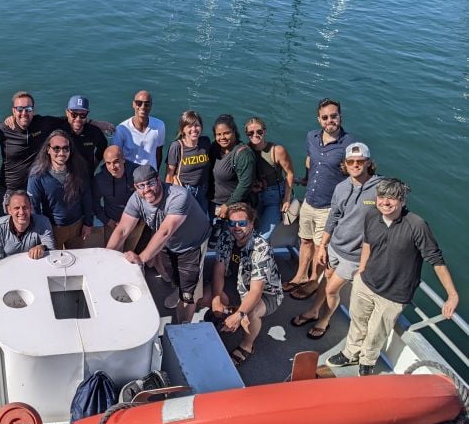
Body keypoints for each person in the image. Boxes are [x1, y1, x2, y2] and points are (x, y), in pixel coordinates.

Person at [326, 178, 459, 376]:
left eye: (392, 198)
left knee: (376, 332)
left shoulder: (417, 225)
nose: (385, 202)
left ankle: (367, 362)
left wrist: (452, 295)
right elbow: (367, 244)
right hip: (366, 283)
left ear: (402, 201)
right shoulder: (372, 215)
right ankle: (350, 353)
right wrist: (361, 271)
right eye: (381, 197)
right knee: (357, 321)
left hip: (394, 294)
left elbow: (436, 261)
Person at [291, 143, 381, 340]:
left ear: (368, 163)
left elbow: (393, 214)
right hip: (335, 247)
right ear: (345, 164)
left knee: (332, 289)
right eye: (351, 161)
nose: (355, 165)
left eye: (360, 161)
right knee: (326, 281)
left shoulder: (380, 189)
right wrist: (322, 246)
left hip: (356, 254)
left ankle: (324, 319)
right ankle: (314, 310)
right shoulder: (341, 187)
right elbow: (333, 217)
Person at [107, 165, 211, 324]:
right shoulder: (137, 198)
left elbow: (165, 231)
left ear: (159, 180)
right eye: (141, 186)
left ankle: (183, 326)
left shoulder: (179, 196)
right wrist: (106, 257)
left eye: (151, 183)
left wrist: (140, 259)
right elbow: (122, 229)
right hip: (168, 244)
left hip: (192, 245)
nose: (146, 189)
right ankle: (177, 286)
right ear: (136, 187)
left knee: (188, 292)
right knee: (171, 272)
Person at [286, 99, 356, 299]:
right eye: (325, 117)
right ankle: (299, 276)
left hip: (329, 207)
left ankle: (312, 281)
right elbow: (310, 160)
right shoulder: (312, 137)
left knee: (320, 247)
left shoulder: (349, 143)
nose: (329, 120)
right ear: (319, 119)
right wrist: (306, 179)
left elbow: (356, 173)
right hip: (309, 201)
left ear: (340, 116)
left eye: (333, 116)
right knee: (305, 240)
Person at [210, 203, 283, 366]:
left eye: (242, 223)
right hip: (238, 282)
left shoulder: (261, 248)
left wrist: (240, 314)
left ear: (251, 223)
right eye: (232, 223)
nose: (236, 227)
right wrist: (216, 298)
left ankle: (247, 346)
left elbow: (256, 291)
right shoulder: (225, 237)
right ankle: (227, 311)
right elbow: (219, 270)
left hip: (266, 293)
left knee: (251, 313)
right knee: (206, 297)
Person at [27, 130, 93, 249]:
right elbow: (34, 207)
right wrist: (40, 232)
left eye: (65, 148)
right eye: (56, 148)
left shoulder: (80, 168)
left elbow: (86, 197)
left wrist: (88, 223)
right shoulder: (37, 175)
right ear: (48, 149)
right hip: (52, 229)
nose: (61, 153)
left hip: (77, 226)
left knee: (76, 260)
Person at [244, 117, 295, 240]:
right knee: (250, 233)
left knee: (262, 238)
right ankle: (266, 258)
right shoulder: (244, 150)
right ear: (247, 134)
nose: (255, 135)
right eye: (251, 133)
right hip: (253, 198)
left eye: (259, 132)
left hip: (273, 198)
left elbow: (290, 173)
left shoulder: (277, 150)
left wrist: (286, 199)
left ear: (264, 131)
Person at [92, 145, 143, 250]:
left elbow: (148, 197)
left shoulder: (138, 173)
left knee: (130, 255)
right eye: (108, 163)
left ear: (123, 159)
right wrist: (107, 221)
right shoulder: (100, 179)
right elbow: (94, 202)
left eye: (116, 162)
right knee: (112, 256)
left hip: (135, 223)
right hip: (112, 224)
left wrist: (139, 219)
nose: (112, 167)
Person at [165, 110, 212, 215]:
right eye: (189, 126)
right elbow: (169, 175)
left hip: (203, 190)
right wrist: (168, 196)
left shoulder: (206, 142)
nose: (194, 129)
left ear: (201, 127)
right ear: (183, 130)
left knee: (201, 219)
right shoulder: (176, 146)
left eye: (197, 125)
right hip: (185, 189)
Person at [0, 190, 56, 265]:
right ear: (9, 210)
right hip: (9, 268)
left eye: (25, 207)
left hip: (35, 266)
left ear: (31, 208)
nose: (21, 212)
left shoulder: (43, 222)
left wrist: (42, 247)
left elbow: (51, 249)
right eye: (17, 208)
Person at [210, 114, 256, 220]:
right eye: (218, 134)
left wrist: (228, 205)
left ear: (234, 132)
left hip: (232, 208)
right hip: (213, 205)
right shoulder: (214, 147)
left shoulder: (243, 154)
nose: (222, 138)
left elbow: (245, 184)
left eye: (226, 133)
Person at [111, 90, 166, 168]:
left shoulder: (160, 126)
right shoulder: (121, 129)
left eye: (147, 104)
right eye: (139, 103)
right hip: (129, 175)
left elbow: (159, 152)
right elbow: (115, 156)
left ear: (151, 105)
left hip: (151, 175)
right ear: (133, 104)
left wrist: (156, 173)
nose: (143, 107)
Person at [63, 95, 108, 173]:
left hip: (85, 175)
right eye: (74, 114)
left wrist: (93, 167)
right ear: (67, 112)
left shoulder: (94, 132)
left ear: (87, 114)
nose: (78, 119)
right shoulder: (58, 128)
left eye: (82, 115)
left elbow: (102, 147)